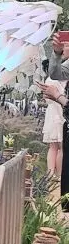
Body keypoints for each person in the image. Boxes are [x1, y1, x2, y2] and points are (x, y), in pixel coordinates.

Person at [41, 32, 69, 187]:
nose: (65, 47)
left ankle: (55, 174)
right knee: (58, 147)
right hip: (61, 114)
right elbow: (56, 73)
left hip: (59, 111)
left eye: (67, 45)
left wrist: (58, 96)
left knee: (58, 147)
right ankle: (56, 176)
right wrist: (56, 53)